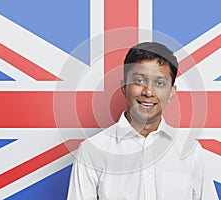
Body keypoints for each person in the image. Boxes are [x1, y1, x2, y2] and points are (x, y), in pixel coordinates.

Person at [67, 42, 204, 200]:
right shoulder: (92, 150)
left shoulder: (190, 150)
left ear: (172, 92)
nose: (148, 92)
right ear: (124, 87)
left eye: (159, 83)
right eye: (139, 81)